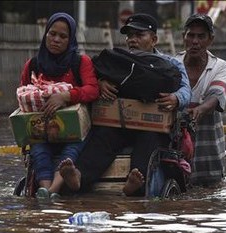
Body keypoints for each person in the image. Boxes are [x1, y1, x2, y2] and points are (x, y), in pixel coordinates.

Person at [59, 13, 191, 196]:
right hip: (118, 124)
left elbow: (186, 91)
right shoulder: (117, 61)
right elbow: (90, 79)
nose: (132, 40)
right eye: (129, 35)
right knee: (102, 137)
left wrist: (176, 98)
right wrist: (100, 83)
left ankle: (134, 183)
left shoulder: (170, 64)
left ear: (154, 39)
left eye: (139, 35)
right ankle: (78, 177)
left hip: (151, 126)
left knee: (150, 141)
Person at [19, 12, 99, 199]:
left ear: (70, 39)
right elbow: (23, 93)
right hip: (41, 128)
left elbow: (93, 90)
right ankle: (45, 190)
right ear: (45, 34)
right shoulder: (33, 65)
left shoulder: (80, 62)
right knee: (38, 149)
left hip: (76, 130)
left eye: (63, 36)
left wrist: (65, 96)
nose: (56, 40)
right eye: (52, 34)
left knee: (72, 148)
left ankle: (53, 189)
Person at [175, 14, 226, 186]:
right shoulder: (173, 64)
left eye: (201, 36)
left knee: (211, 195)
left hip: (209, 150)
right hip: (179, 147)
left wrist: (200, 109)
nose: (195, 41)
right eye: (191, 35)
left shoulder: (220, 66)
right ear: (184, 37)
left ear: (210, 40)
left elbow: (216, 95)